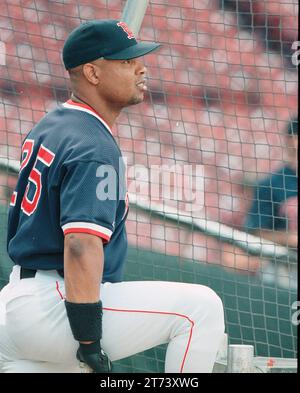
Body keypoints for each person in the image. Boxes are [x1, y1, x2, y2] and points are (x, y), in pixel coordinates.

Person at [0, 20, 224, 373]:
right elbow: (80, 243)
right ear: (91, 72)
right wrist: (89, 342)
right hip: (55, 305)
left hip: (18, 305)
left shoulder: (54, 123)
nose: (140, 67)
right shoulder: (94, 145)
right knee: (201, 308)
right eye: (124, 62)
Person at [221, 119, 298, 278]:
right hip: (284, 269)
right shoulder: (272, 184)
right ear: (292, 141)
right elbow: (256, 233)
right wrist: (290, 238)